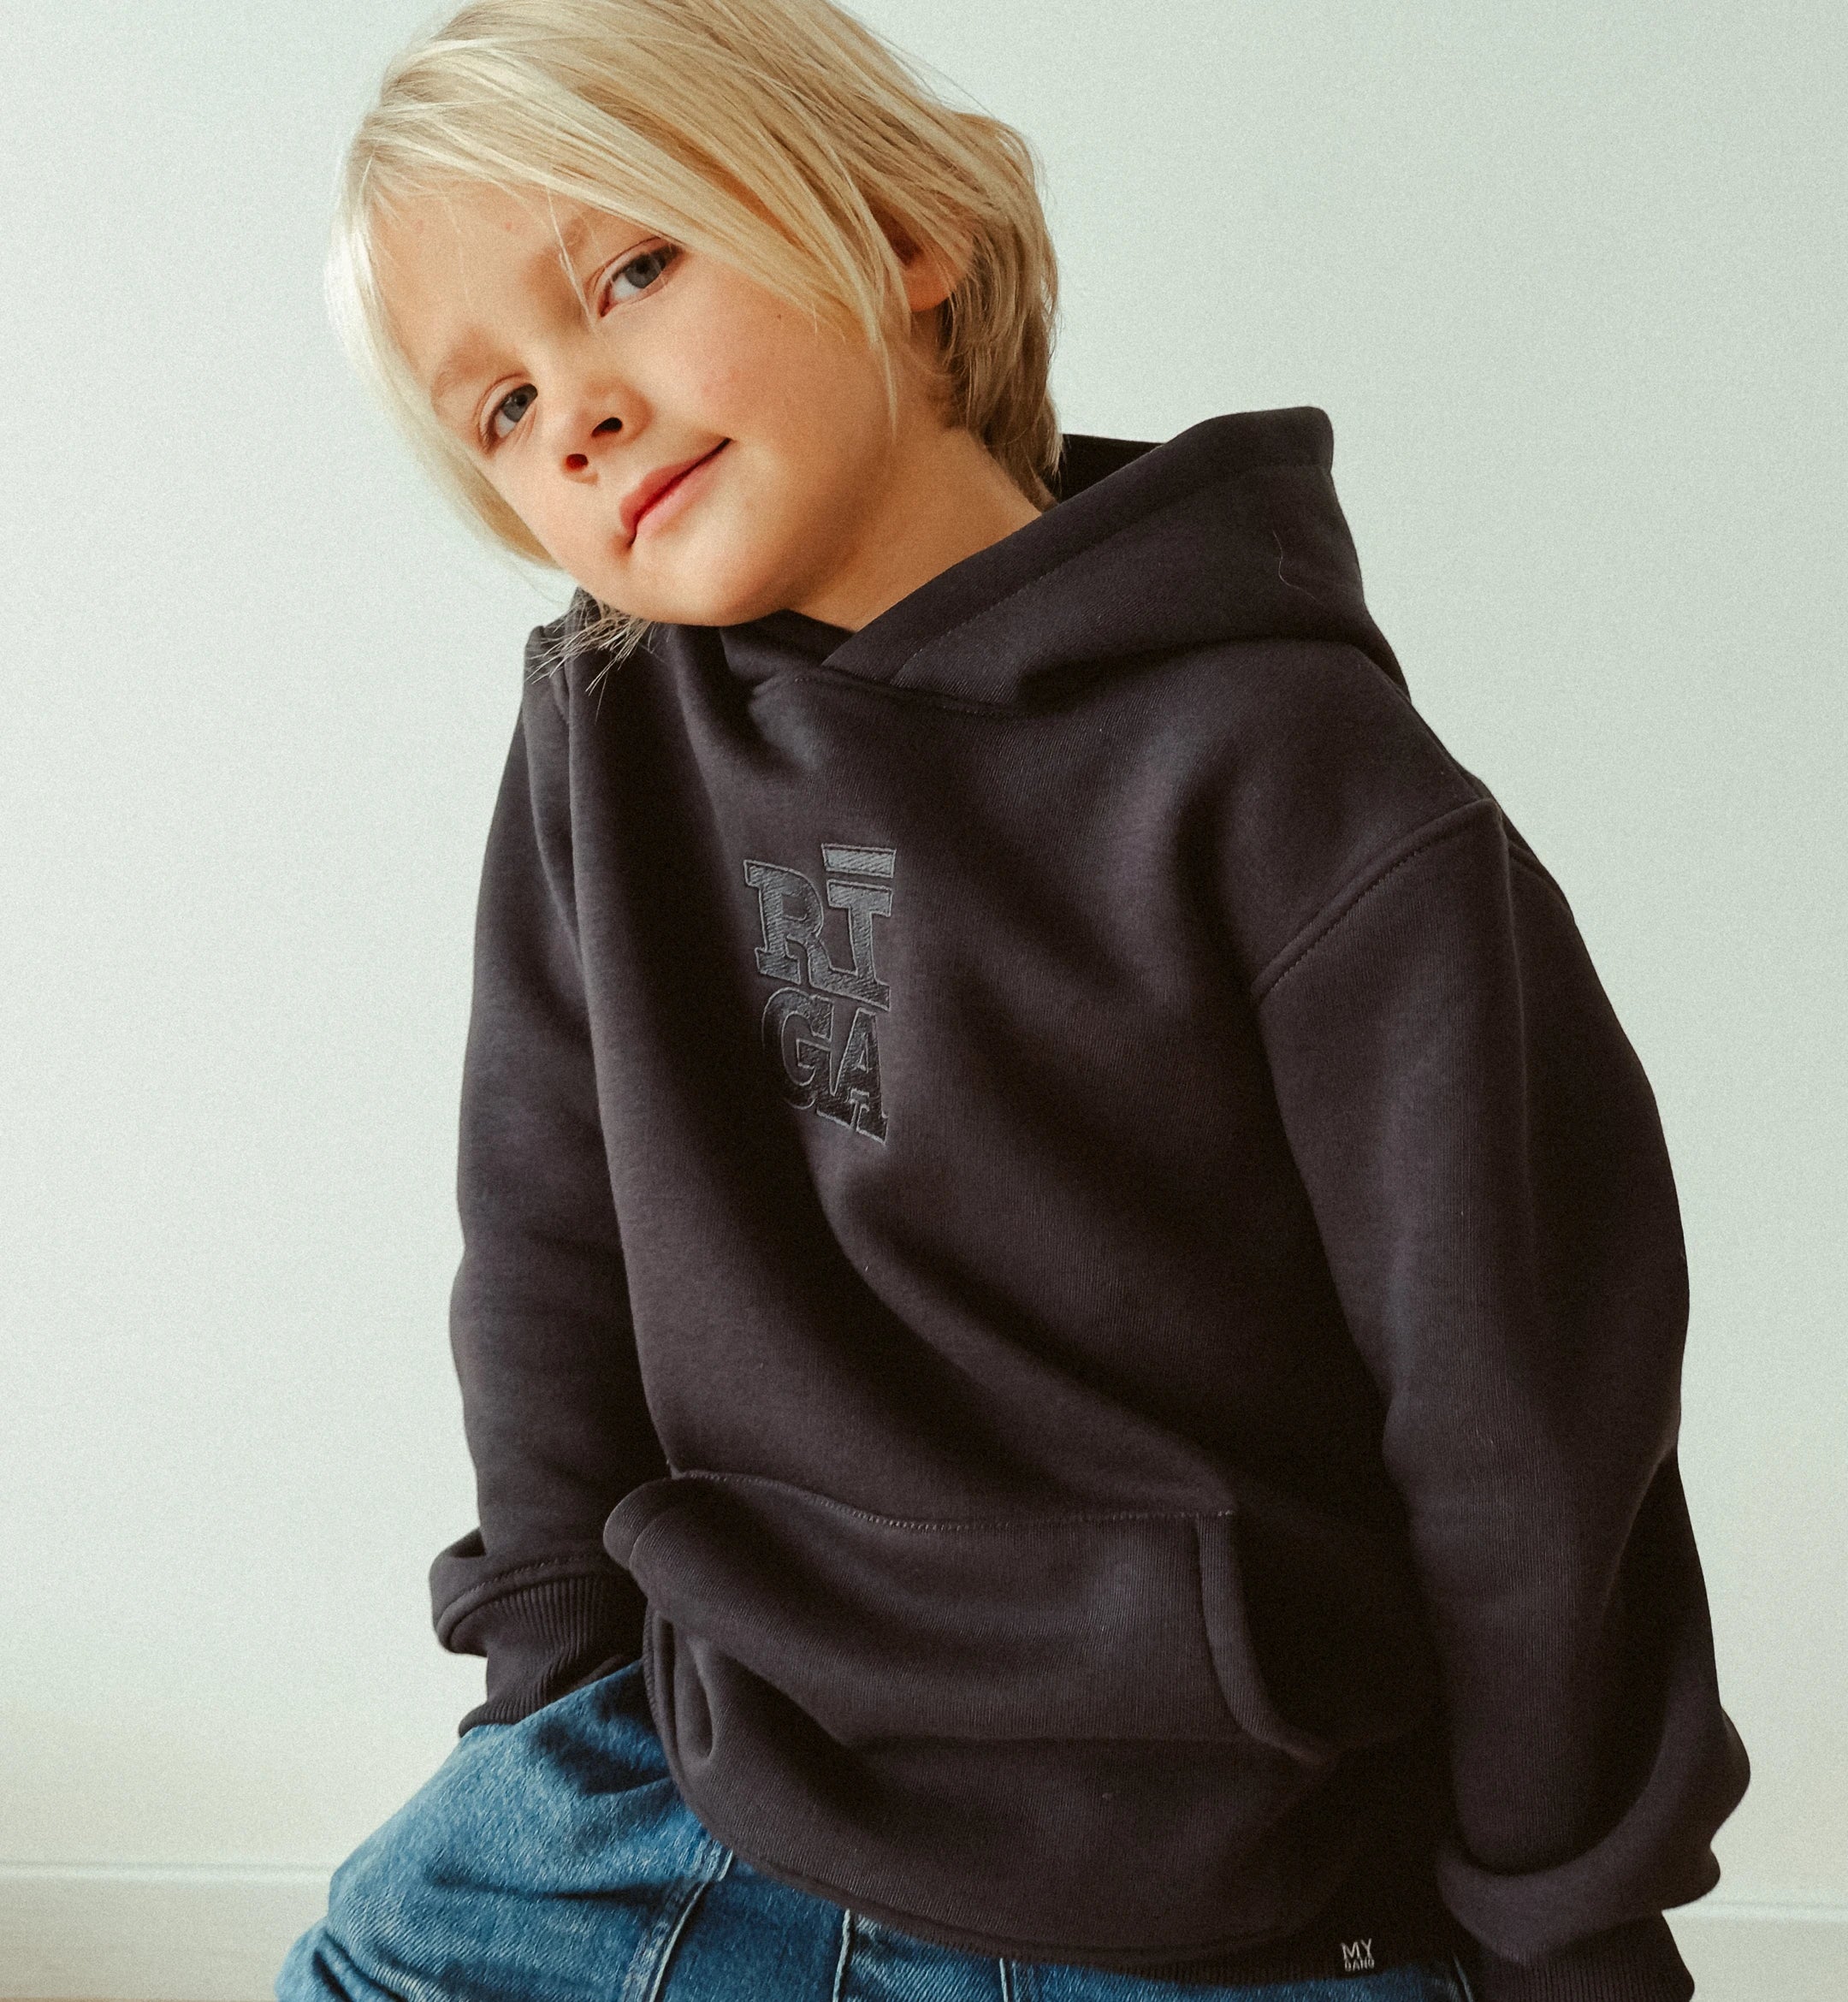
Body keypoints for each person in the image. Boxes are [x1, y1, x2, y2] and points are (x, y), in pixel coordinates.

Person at [279, 2, 1751, 1998]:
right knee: (367, 1955)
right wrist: (549, 1691)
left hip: (1203, 1855)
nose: (580, 416)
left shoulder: (1288, 779)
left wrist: (1559, 1924)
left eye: (628, 274)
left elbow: (1526, 1414)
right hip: (709, 1767)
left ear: (904, 235)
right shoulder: (603, 733)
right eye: (504, 407)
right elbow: (548, 1247)